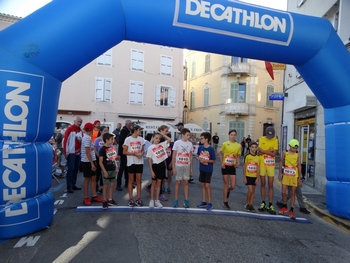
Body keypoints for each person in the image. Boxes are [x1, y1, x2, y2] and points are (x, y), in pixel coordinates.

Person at [278, 139, 303, 219]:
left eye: (296, 148)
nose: (294, 149)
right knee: (283, 192)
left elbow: (299, 165)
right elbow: (281, 162)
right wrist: (280, 173)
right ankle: (285, 206)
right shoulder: (285, 153)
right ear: (290, 146)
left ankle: (291, 210)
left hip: (294, 175)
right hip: (286, 174)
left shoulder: (298, 154)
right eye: (293, 148)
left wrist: (299, 178)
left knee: (293, 193)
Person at [81, 122, 104, 205]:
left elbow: (90, 150)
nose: (94, 130)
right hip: (87, 161)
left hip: (91, 160)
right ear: (90, 129)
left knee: (94, 178)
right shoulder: (86, 138)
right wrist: (92, 164)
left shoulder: (88, 137)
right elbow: (87, 152)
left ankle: (94, 195)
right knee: (87, 179)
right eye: (93, 128)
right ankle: (86, 197)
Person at [147, 132, 171, 208]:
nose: (158, 140)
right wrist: (151, 171)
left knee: (159, 183)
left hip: (162, 166)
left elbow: (169, 139)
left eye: (159, 138)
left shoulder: (162, 145)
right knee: (153, 183)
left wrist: (162, 134)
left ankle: (157, 200)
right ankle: (151, 200)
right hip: (155, 165)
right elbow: (149, 159)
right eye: (156, 138)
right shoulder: (150, 147)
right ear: (153, 138)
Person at [258, 126, 278, 214]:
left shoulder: (275, 140)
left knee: (270, 184)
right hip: (262, 164)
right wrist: (269, 151)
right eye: (269, 136)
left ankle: (270, 204)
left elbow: (274, 154)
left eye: (271, 136)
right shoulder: (261, 139)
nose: (270, 137)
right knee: (263, 183)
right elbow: (259, 152)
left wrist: (264, 151)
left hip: (271, 165)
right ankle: (263, 202)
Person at [123, 124, 145, 206]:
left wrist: (141, 153)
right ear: (135, 130)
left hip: (139, 162)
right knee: (131, 180)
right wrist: (134, 154)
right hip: (131, 162)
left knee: (139, 180)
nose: (140, 131)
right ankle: (131, 198)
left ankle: (139, 198)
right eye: (139, 130)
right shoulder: (128, 139)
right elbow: (124, 152)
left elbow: (143, 149)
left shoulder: (141, 139)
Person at [219, 129, 241, 210]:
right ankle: (225, 201)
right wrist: (222, 163)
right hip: (225, 166)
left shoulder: (238, 145)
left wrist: (238, 163)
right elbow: (220, 153)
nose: (233, 136)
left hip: (232, 166)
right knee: (225, 183)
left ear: (236, 136)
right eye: (231, 135)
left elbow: (238, 155)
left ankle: (227, 190)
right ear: (229, 135)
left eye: (234, 135)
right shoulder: (225, 144)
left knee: (233, 186)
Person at [172, 128, 193, 208]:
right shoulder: (177, 143)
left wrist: (191, 169)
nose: (188, 136)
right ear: (183, 135)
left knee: (186, 183)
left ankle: (186, 200)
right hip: (178, 165)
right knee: (178, 183)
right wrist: (174, 167)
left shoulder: (190, 144)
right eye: (187, 135)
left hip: (186, 166)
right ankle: (175, 200)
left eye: (189, 135)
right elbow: (174, 156)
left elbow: (191, 157)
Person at [196, 132, 216, 211]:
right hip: (202, 169)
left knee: (207, 185)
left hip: (208, 169)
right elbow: (197, 156)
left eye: (202, 138)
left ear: (206, 139)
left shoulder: (211, 149)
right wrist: (199, 159)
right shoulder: (200, 148)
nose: (200, 140)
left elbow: (214, 160)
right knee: (203, 185)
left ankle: (210, 203)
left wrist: (206, 160)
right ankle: (204, 201)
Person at [99, 132, 119, 210]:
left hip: (112, 169)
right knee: (105, 185)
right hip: (106, 170)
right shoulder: (102, 150)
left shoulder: (111, 148)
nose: (113, 140)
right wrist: (104, 171)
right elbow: (100, 162)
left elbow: (113, 159)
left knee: (112, 184)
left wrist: (116, 167)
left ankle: (110, 199)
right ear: (106, 140)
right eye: (111, 139)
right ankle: (104, 200)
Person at [63, 116, 83, 193]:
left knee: (75, 169)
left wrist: (80, 141)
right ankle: (69, 186)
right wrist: (66, 152)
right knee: (71, 169)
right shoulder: (70, 129)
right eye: (78, 121)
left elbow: (82, 141)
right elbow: (65, 141)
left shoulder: (80, 130)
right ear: (74, 121)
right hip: (71, 153)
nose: (79, 123)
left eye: (80, 122)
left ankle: (73, 184)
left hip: (77, 153)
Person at [243, 142, 260, 212]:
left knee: (253, 191)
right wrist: (244, 177)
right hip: (248, 176)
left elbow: (258, 168)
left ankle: (251, 204)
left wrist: (257, 178)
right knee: (250, 190)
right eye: (252, 147)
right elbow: (244, 167)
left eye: (255, 147)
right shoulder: (247, 156)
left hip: (254, 176)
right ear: (250, 148)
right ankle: (247, 203)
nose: (254, 149)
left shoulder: (258, 158)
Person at [116, 120, 132, 191]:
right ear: (127, 124)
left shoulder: (129, 130)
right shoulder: (123, 131)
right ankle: (118, 184)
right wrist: (119, 154)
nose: (131, 125)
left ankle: (127, 183)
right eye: (130, 124)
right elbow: (121, 143)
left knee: (127, 168)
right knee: (122, 168)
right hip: (123, 152)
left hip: (128, 152)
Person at [94, 125, 109, 194]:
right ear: (101, 131)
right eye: (104, 131)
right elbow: (95, 149)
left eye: (107, 130)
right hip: (99, 158)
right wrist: (99, 156)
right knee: (98, 172)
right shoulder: (97, 139)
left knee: (104, 172)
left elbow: (110, 149)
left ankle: (102, 187)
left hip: (106, 158)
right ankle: (95, 184)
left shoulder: (108, 140)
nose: (106, 132)